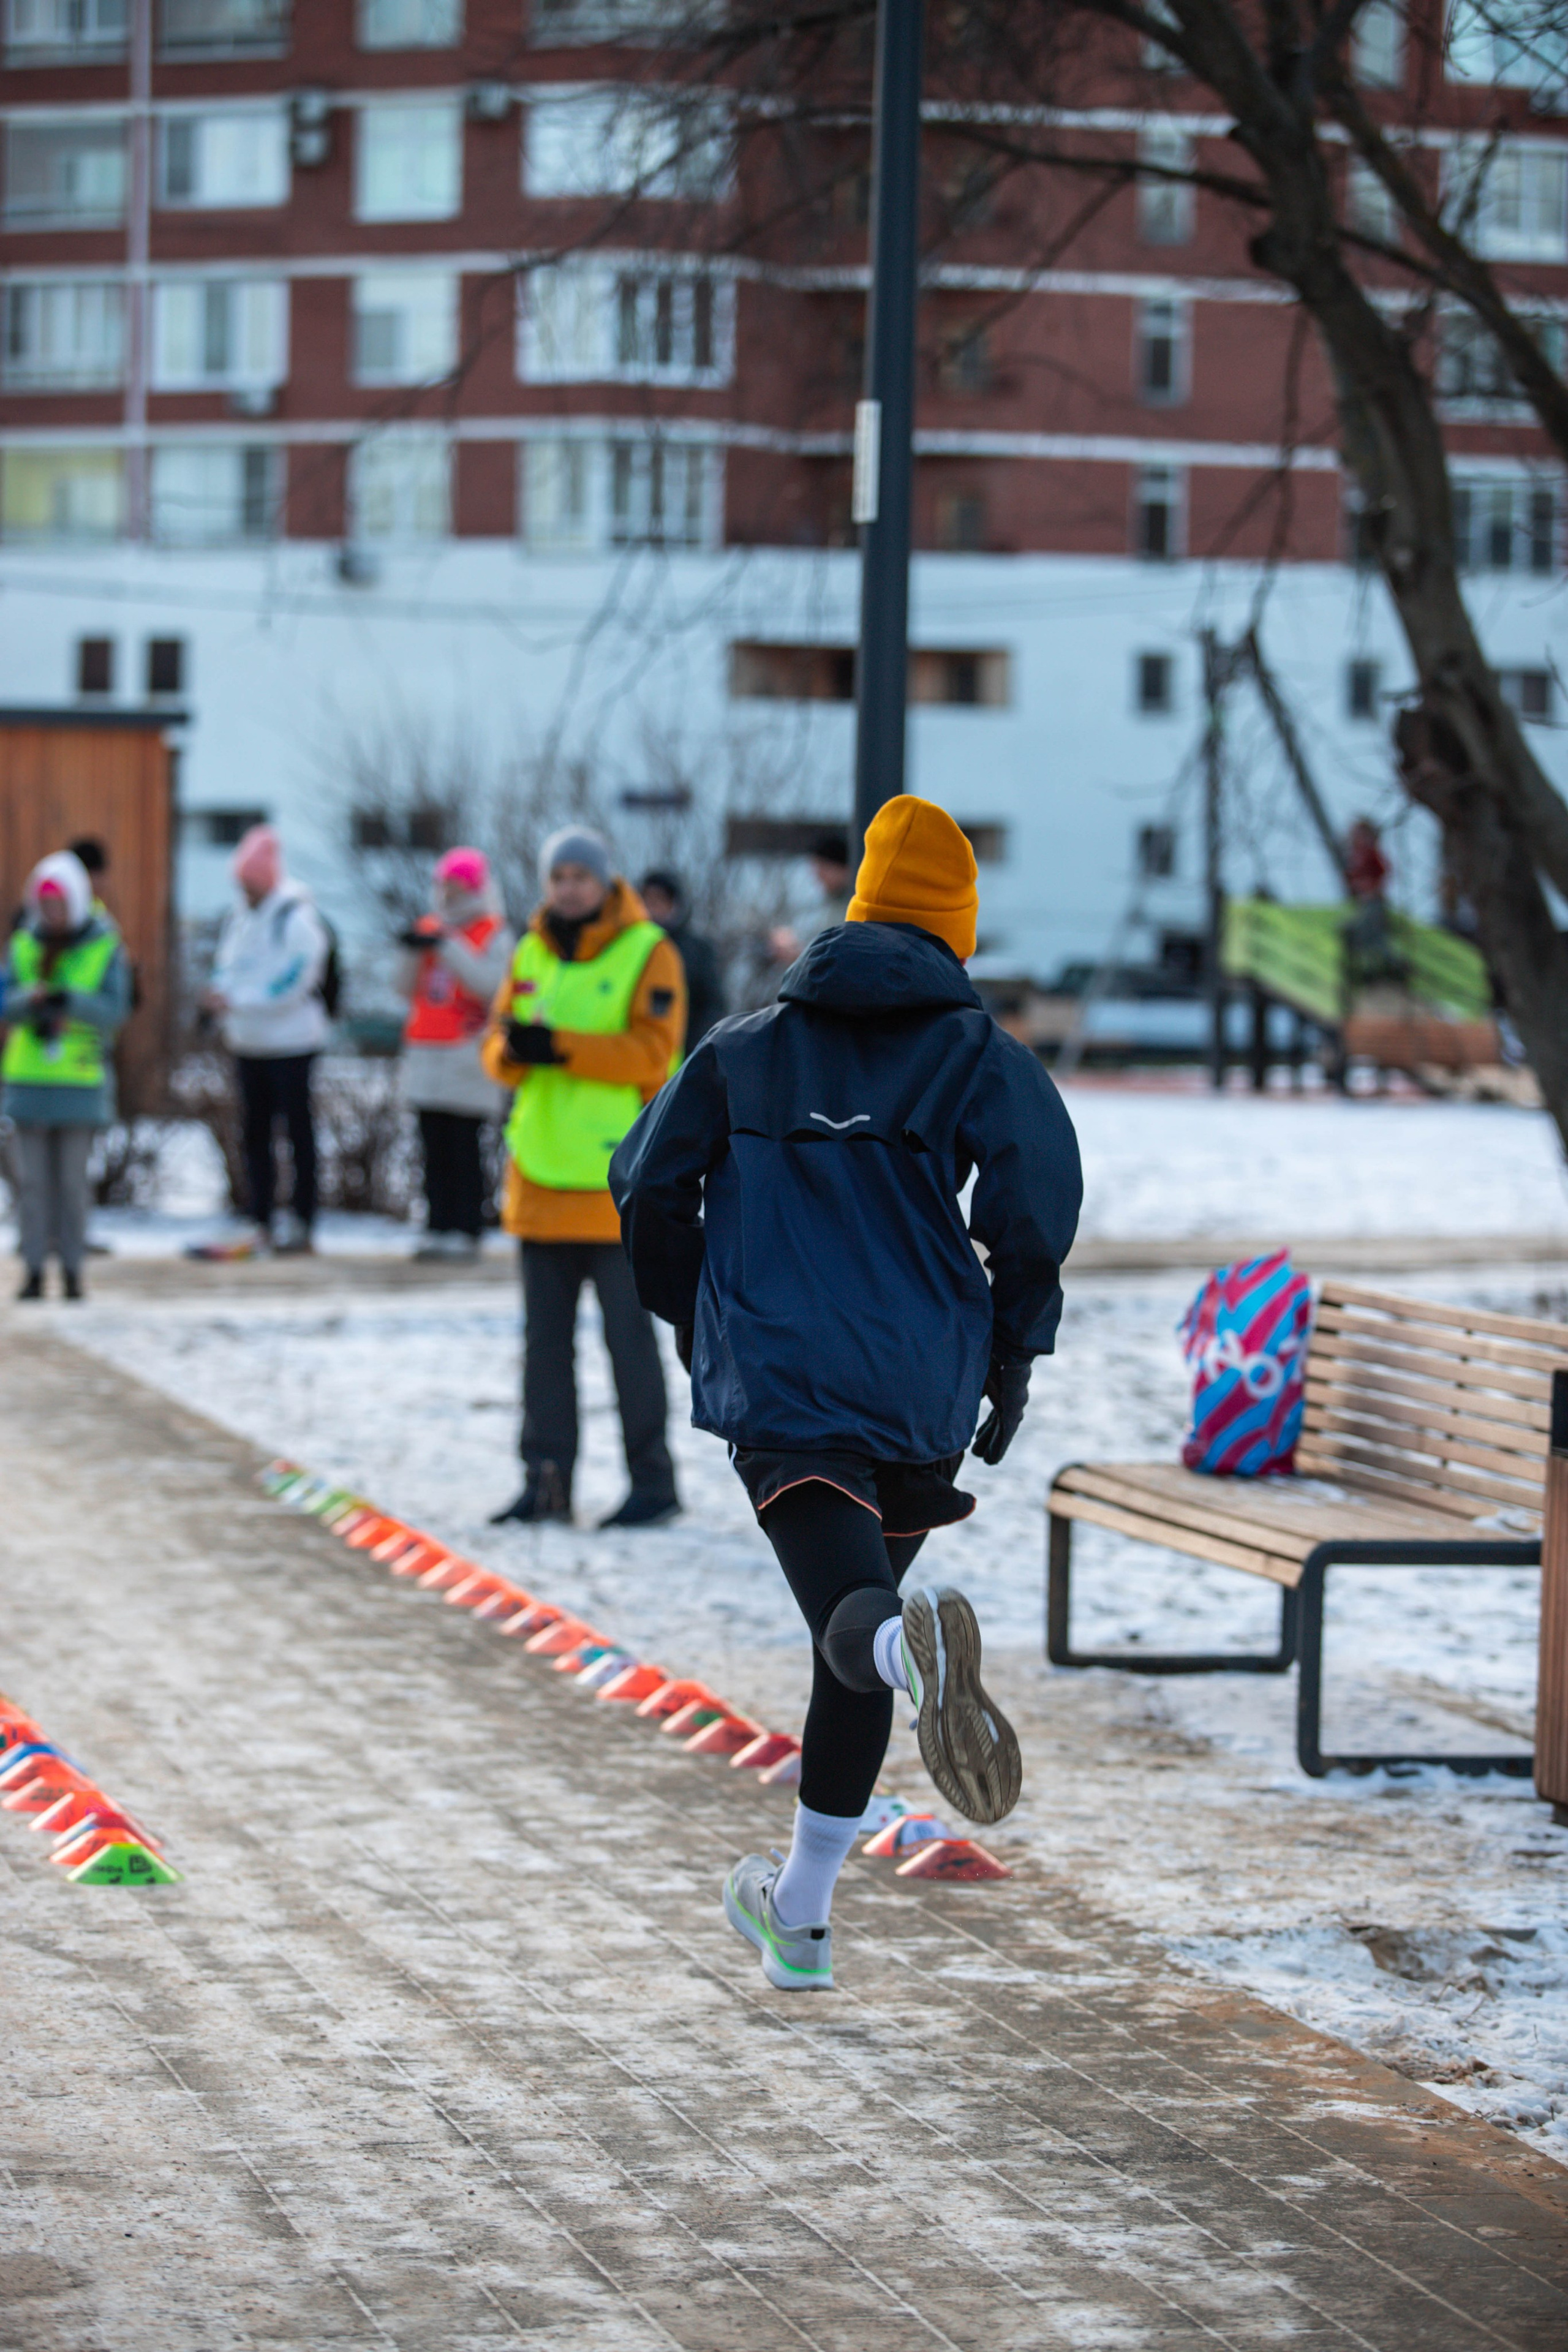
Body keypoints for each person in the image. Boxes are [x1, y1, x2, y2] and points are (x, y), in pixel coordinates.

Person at [611, 796, 1082, 1991]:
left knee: (861, 1630)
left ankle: (910, 1665)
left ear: (857, 909)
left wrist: (692, 1313)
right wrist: (1011, 1356)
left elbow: (647, 1185)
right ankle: (801, 1920)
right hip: (923, 1383)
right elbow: (1034, 1214)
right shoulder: (981, 1057)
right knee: (855, 1636)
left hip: (785, 1379)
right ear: (955, 929)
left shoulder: (745, 1047)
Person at [481, 826, 687, 1530]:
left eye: (580, 877)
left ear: (605, 882)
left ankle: (652, 1484)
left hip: (613, 1183)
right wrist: (514, 1051)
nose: (568, 889)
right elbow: (496, 1048)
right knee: (544, 1346)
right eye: (557, 877)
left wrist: (560, 1046)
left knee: (628, 1343)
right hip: (540, 1173)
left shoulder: (648, 950)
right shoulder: (531, 948)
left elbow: (654, 1055)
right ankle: (545, 1481)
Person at [2, 851, 130, 1301]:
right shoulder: (24, 943)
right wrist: (30, 1002)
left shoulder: (104, 944)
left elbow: (116, 1009)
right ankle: (34, 1270)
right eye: (45, 905)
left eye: (59, 904)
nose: (52, 913)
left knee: (73, 1186)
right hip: (29, 1081)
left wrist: (69, 1001)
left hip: (80, 1081)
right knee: (32, 1186)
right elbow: (5, 999)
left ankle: (74, 1272)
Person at [203, 825, 329, 1257]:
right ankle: (259, 1216)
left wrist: (240, 1000)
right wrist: (220, 994)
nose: (245, 891)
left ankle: (303, 1219)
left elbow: (294, 982)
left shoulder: (296, 918)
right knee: (254, 1134)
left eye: (250, 883)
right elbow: (228, 965)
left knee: (297, 1134)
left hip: (292, 1043)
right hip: (248, 1042)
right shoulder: (241, 916)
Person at [396, 846, 514, 1261]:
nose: (448, 895)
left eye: (457, 887)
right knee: (433, 1149)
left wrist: (448, 945)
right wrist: (411, 950)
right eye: (444, 886)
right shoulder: (430, 926)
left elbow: (491, 986)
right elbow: (402, 988)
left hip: (467, 1056)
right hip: (426, 1054)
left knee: (464, 1148)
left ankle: (466, 1228)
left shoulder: (493, 932)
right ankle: (437, 1226)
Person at [639, 870, 725, 1052]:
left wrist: (696, 1050)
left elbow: (713, 1005)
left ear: (675, 905)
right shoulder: (623, 948)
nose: (651, 908)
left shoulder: (697, 950)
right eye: (647, 900)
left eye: (660, 900)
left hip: (681, 1054)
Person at [768, 829, 853, 966]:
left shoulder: (852, 906)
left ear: (841, 867)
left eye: (823, 868)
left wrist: (800, 955)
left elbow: (838, 958)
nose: (818, 876)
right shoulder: (830, 902)